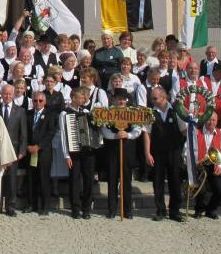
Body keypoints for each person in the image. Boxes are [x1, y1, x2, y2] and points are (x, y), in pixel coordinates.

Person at [144, 87, 186, 222]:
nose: (153, 100)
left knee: (175, 180)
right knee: (158, 182)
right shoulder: (150, 113)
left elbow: (184, 130)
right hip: (158, 152)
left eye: (155, 98)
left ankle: (175, 210)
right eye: (152, 98)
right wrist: (147, 152)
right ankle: (160, 210)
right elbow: (147, 133)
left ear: (164, 97)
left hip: (174, 151)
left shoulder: (176, 111)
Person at [100, 89, 142, 219]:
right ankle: (112, 209)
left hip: (127, 148)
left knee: (126, 180)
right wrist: (114, 135)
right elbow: (104, 129)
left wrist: (127, 134)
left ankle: (127, 210)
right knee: (112, 180)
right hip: (112, 149)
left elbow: (138, 129)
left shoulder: (132, 113)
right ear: (114, 99)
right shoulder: (108, 113)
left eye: (123, 99)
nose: (121, 101)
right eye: (119, 99)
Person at [60, 87, 100, 219]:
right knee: (74, 180)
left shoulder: (87, 111)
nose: (83, 99)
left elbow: (93, 129)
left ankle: (86, 208)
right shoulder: (65, 114)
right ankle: (75, 209)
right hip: (74, 152)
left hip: (87, 151)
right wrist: (66, 155)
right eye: (81, 97)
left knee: (89, 180)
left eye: (84, 97)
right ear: (73, 98)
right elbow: (64, 136)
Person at [0, 85, 27, 216]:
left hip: (13, 149)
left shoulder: (20, 111)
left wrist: (22, 150)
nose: (7, 96)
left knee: (11, 180)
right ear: (1, 94)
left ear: (13, 95)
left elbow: (23, 133)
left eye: (9, 94)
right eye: (5, 94)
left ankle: (10, 207)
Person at [188, 114, 221, 220]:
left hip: (214, 165)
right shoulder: (196, 132)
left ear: (217, 121)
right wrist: (194, 163)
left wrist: (220, 165)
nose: (211, 122)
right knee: (200, 190)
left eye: (214, 120)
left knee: (220, 190)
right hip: (200, 166)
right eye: (209, 120)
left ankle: (211, 209)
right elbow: (187, 150)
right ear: (205, 120)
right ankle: (199, 209)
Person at [25, 91, 56, 215]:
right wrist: (27, 145)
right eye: (35, 100)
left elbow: (50, 133)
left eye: (40, 101)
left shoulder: (50, 115)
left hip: (43, 152)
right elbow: (24, 131)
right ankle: (31, 204)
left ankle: (45, 206)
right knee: (31, 179)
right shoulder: (28, 114)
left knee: (43, 179)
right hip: (30, 150)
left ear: (45, 102)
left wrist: (38, 146)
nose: (37, 103)